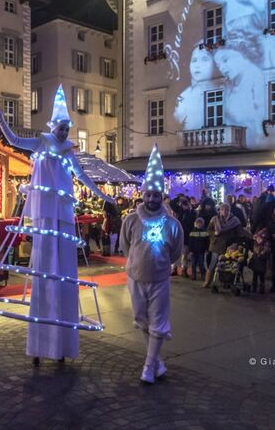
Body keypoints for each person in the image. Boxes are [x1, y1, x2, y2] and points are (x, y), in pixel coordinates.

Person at [0, 85, 112, 365]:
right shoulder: (41, 143)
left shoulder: (68, 152)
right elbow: (14, 140)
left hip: (63, 215)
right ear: (53, 126)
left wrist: (102, 194)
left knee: (65, 271)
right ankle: (42, 344)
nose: (64, 132)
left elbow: (82, 176)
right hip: (45, 213)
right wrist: (1, 121)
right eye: (62, 127)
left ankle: (61, 345)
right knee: (44, 269)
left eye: (67, 128)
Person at [120, 145, 183, 384]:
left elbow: (176, 251)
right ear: (143, 194)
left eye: (156, 195)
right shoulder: (131, 220)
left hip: (159, 280)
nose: (151, 199)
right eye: (148, 195)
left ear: (161, 196)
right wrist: (137, 263)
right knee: (141, 318)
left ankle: (148, 366)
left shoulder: (172, 224)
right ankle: (156, 362)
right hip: (135, 278)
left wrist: (161, 265)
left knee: (158, 321)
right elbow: (126, 247)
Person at [204, 203, 249, 288]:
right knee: (213, 264)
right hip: (216, 245)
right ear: (220, 210)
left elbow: (240, 233)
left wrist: (236, 243)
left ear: (229, 211)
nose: (224, 211)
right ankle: (207, 281)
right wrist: (214, 234)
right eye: (222, 210)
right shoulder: (215, 219)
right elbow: (209, 230)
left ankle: (227, 282)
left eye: (227, 210)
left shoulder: (235, 220)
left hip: (229, 246)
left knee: (229, 264)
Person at [174, 45, 215, 130]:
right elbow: (176, 120)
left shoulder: (227, 90)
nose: (197, 65)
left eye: (204, 59)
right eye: (194, 60)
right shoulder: (184, 96)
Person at [249, 227, 271, 294]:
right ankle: (254, 287)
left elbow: (266, 250)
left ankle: (261, 288)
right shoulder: (256, 244)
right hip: (256, 261)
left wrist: (261, 253)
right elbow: (254, 249)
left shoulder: (266, 244)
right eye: (257, 238)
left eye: (260, 238)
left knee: (261, 275)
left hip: (261, 261)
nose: (258, 240)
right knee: (255, 275)